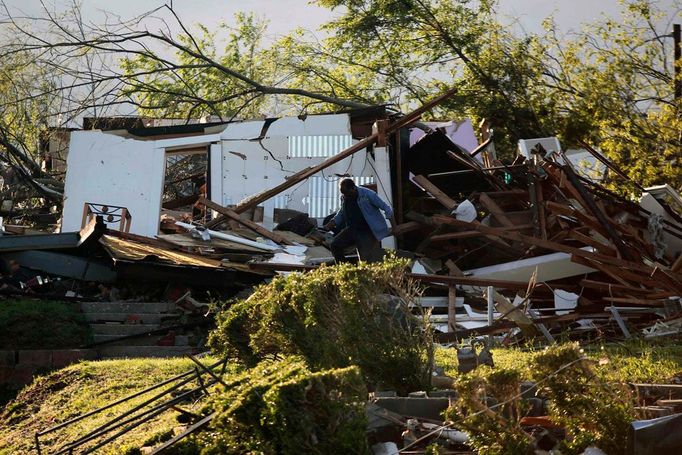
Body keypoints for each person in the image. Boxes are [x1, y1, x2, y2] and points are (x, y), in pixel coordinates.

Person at [323, 178, 395, 263]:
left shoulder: (367, 194)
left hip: (367, 231)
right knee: (335, 245)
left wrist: (394, 227)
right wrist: (332, 222)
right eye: (344, 194)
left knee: (365, 260)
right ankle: (343, 269)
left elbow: (387, 209)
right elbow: (342, 212)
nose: (346, 196)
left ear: (353, 188)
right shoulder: (345, 197)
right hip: (352, 229)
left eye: (347, 193)